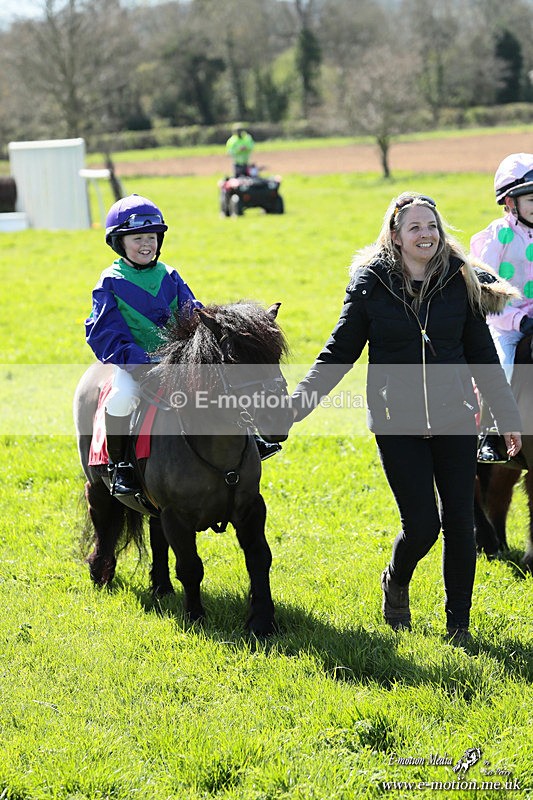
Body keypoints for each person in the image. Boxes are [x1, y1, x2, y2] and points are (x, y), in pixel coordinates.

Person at [290, 192, 522, 643]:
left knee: (460, 523)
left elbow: (482, 356)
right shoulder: (371, 284)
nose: (426, 234)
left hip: (456, 417)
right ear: (395, 236)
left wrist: (506, 416)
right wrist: (297, 405)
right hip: (397, 420)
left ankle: (459, 627)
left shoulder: (461, 281)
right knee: (421, 527)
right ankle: (396, 581)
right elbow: (338, 352)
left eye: (432, 226)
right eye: (415, 227)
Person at [86, 194, 280, 496]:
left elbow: (192, 314)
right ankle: (120, 464)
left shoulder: (169, 275)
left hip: (178, 361)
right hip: (135, 365)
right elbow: (104, 333)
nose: (146, 245)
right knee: (122, 399)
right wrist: (139, 362)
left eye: (151, 237)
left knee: (225, 384)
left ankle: (251, 438)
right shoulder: (109, 282)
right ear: (119, 243)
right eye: (137, 239)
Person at [470, 153, 533, 462]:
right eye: (532, 199)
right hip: (504, 323)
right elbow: (486, 290)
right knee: (501, 370)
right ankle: (490, 435)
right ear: (510, 202)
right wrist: (518, 321)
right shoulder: (497, 236)